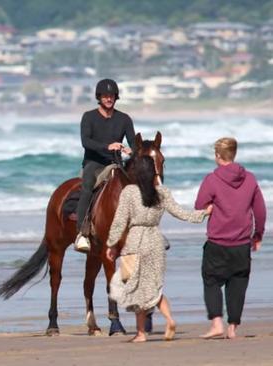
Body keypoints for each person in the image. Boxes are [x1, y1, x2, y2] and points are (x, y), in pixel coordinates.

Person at [106, 156, 211, 342]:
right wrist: (203, 214)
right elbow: (180, 212)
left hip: (135, 242)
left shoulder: (129, 192)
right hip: (155, 242)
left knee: (134, 288)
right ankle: (169, 319)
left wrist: (111, 244)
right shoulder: (162, 192)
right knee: (154, 288)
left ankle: (140, 334)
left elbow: (120, 220)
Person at [195, 137, 266, 340]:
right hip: (242, 243)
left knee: (211, 280)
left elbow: (200, 205)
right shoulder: (250, 178)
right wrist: (258, 234)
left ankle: (217, 323)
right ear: (233, 155)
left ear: (218, 156)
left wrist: (211, 206)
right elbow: (260, 210)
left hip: (217, 241)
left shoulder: (212, 179)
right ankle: (232, 327)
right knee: (238, 283)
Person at [74, 78, 136, 253]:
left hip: (116, 163)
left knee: (140, 187)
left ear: (116, 97)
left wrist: (132, 150)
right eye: (105, 96)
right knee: (87, 187)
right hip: (94, 163)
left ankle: (149, 228)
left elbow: (133, 142)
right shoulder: (88, 117)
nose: (108, 99)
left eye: (111, 96)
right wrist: (107, 147)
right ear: (99, 97)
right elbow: (86, 142)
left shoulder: (124, 119)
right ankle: (82, 234)